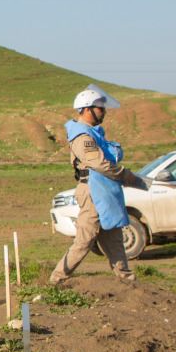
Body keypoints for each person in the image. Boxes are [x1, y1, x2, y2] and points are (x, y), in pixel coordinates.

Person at [50, 85, 149, 284]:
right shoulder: (82, 136)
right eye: (100, 108)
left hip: (104, 190)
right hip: (93, 191)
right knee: (86, 238)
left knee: (113, 237)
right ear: (87, 109)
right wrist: (127, 176)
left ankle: (127, 279)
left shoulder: (93, 133)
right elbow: (99, 164)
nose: (104, 112)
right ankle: (57, 279)